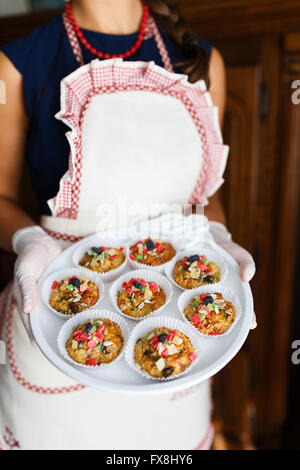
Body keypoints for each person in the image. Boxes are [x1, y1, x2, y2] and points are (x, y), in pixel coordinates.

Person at [0, 0, 255, 450]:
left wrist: (216, 236)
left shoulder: (201, 58)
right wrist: (29, 241)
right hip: (56, 317)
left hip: (173, 320)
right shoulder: (17, 63)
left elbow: (205, 196)